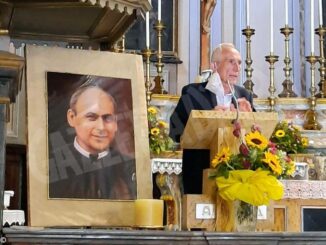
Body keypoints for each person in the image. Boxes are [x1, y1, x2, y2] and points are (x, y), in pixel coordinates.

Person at [169, 43, 255, 194]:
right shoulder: (192, 92)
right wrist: (208, 117)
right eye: (231, 61)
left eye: (239, 63)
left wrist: (249, 117)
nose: (237, 68)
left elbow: (257, 136)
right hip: (199, 173)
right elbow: (175, 131)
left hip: (237, 175)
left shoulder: (244, 95)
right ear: (215, 65)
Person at [49, 83, 137, 200]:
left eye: (107, 118)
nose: (101, 127)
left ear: (115, 122)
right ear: (72, 118)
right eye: (91, 117)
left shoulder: (130, 166)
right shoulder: (52, 167)